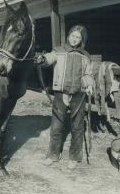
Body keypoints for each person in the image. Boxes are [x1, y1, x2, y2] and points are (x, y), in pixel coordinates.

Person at [34, 24, 94, 170]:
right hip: (61, 93)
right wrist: (42, 59)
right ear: (68, 36)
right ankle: (53, 155)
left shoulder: (85, 55)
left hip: (79, 94)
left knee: (77, 127)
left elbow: (88, 74)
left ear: (82, 39)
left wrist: (89, 84)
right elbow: (49, 58)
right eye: (72, 35)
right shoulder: (59, 51)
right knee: (56, 126)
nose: (74, 39)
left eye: (78, 37)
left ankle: (74, 157)